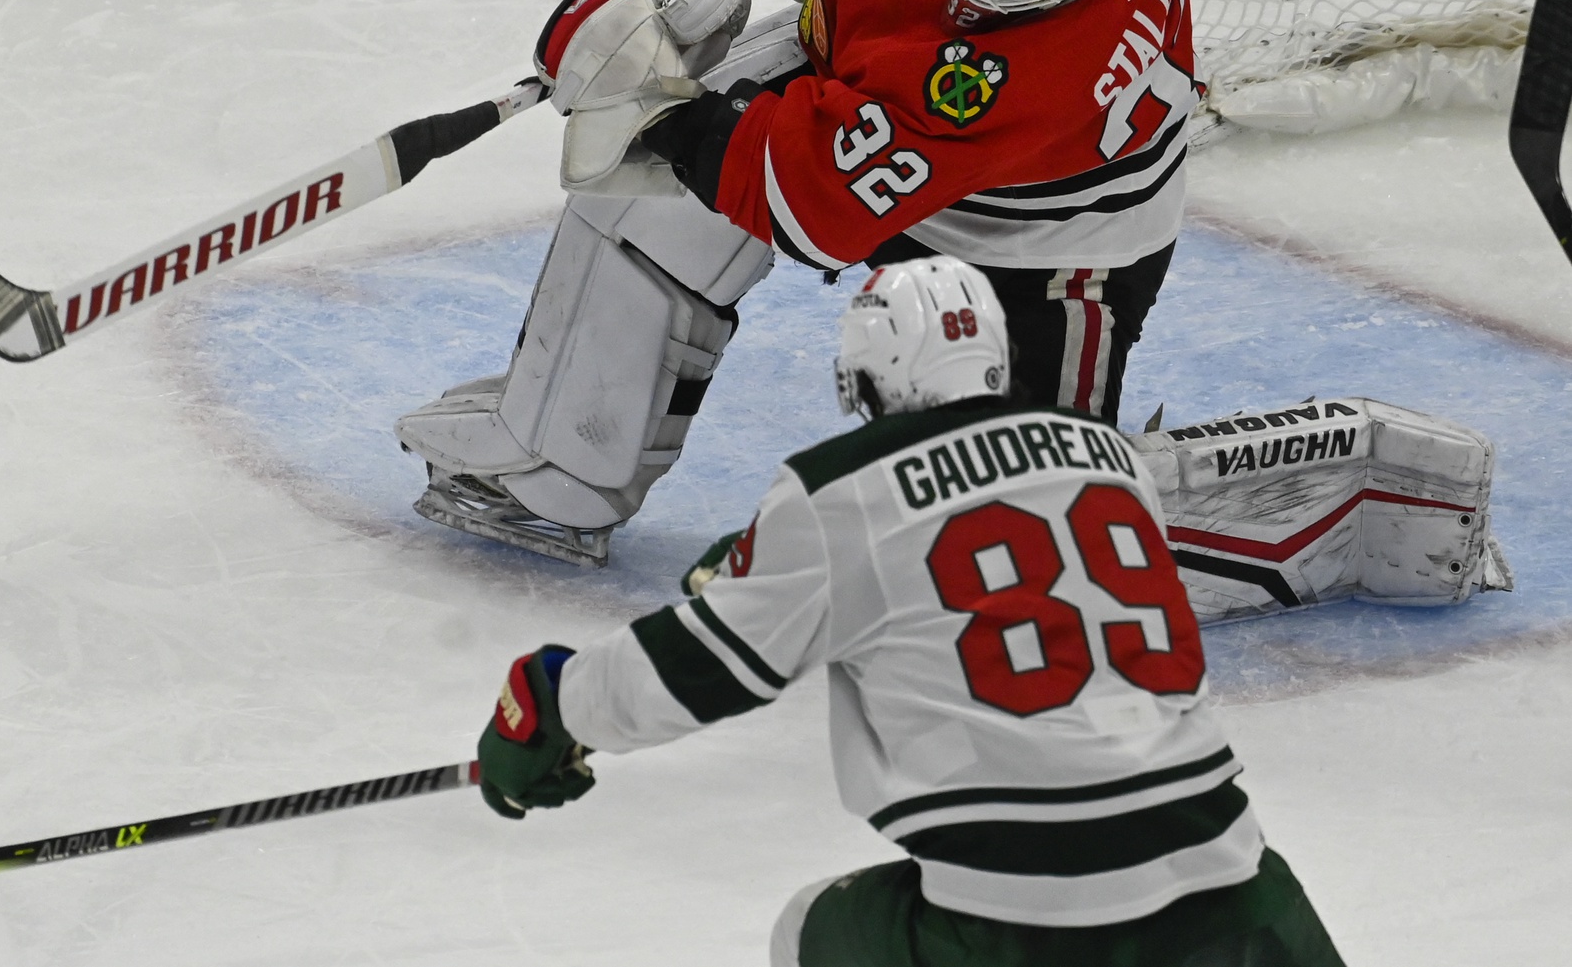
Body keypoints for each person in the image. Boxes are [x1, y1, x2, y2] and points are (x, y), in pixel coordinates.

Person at [397, 0, 1201, 563]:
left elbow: (805, 199)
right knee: (646, 204)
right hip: (915, 105)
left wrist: (659, 106)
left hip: (1059, 241)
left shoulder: (1011, 82)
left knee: (1019, 541)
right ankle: (564, 466)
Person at [474, 258, 1344, 967]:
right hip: (1241, 890)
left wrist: (554, 700)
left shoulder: (836, 494)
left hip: (1022, 926)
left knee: (807, 932)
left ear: (865, 381)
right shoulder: (1112, 460)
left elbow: (696, 670)